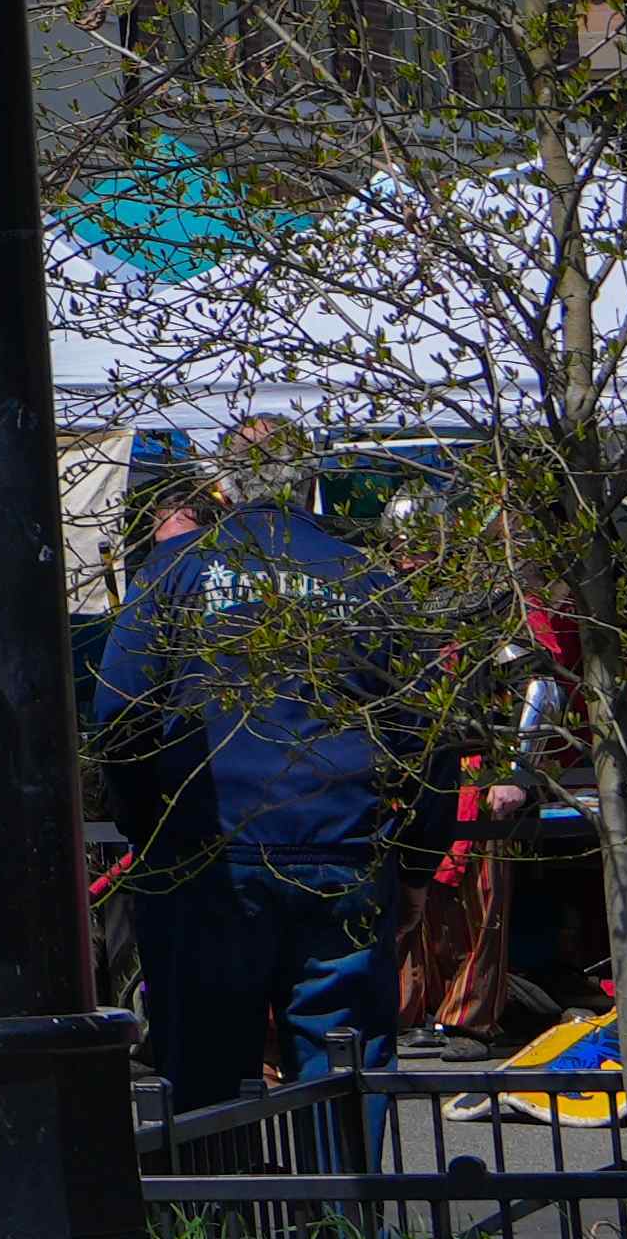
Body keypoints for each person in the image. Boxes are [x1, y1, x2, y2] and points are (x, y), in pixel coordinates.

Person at [93, 459, 402, 1121]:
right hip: (340, 841)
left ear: (221, 490)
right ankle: (340, 1219)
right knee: (342, 1070)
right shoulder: (364, 575)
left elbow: (119, 710)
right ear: (310, 482)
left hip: (210, 849)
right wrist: (421, 853)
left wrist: (149, 823)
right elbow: (419, 723)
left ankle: (219, 1220)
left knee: (205, 1076)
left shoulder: (177, 569)